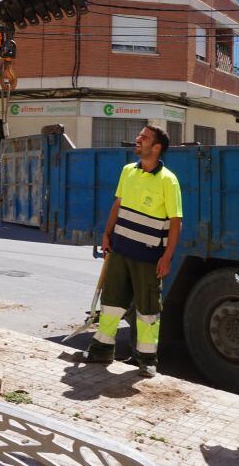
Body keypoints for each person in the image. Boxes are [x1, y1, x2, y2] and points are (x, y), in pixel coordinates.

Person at [79, 125, 182, 377]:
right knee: (112, 301)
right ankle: (102, 349)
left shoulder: (168, 179)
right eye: (139, 136)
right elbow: (118, 203)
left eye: (144, 138)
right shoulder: (128, 171)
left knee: (147, 308)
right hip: (120, 250)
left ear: (156, 147)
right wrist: (106, 233)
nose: (138, 139)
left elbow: (176, 221)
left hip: (148, 256)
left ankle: (147, 359)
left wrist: (167, 256)